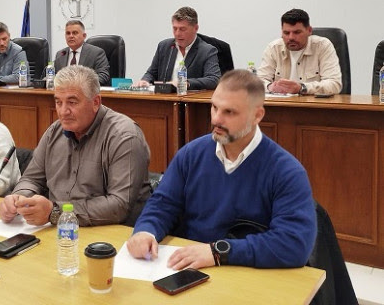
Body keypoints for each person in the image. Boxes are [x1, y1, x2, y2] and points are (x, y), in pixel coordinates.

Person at [127, 69, 316, 269]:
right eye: (214, 107)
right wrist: (145, 231)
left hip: (247, 273)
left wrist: (218, 252)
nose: (216, 119)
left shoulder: (286, 171)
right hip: (190, 268)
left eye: (229, 112)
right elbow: (163, 204)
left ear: (257, 115)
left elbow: (294, 244)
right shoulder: (191, 154)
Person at [0, 65, 151, 227]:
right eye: (58, 102)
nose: (63, 111)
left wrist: (55, 212)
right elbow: (31, 179)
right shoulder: (54, 132)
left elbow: (119, 205)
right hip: (59, 229)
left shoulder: (124, 136)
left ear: (95, 102)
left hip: (110, 231)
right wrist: (18, 198)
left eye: (72, 102)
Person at [257, 8, 342, 95]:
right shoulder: (274, 48)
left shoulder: (322, 46)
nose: (291, 37)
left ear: (309, 31)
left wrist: (302, 88)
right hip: (281, 102)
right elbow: (258, 82)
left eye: (297, 32)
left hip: (312, 102)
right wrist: (270, 87)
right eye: (286, 33)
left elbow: (334, 84)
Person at [134, 7, 221, 90]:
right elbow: (151, 73)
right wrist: (145, 81)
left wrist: (186, 83)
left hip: (189, 98)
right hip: (163, 97)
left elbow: (213, 79)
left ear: (196, 28)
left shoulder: (207, 51)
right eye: (175, 28)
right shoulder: (164, 46)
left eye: (182, 29)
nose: (177, 33)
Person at [54, 20, 111, 86]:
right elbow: (53, 76)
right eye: (68, 33)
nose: (71, 36)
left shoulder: (96, 53)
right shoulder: (60, 54)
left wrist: (82, 85)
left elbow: (103, 76)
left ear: (84, 36)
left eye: (75, 33)